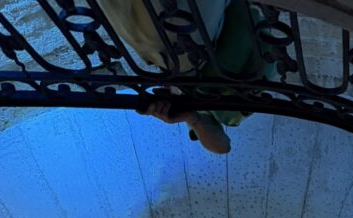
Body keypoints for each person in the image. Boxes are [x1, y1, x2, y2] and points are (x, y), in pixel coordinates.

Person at [97, 0, 268, 153]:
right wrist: (191, 117)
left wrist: (187, 116)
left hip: (172, 49)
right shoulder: (221, 110)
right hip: (192, 44)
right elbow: (222, 147)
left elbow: (221, 146)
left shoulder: (195, 106)